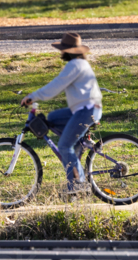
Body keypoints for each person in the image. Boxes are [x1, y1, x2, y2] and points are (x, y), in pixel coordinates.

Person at [21, 32, 103, 195]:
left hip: (86, 111)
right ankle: (78, 148)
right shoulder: (80, 64)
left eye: (63, 50)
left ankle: (79, 184)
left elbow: (55, 86)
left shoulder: (75, 65)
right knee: (52, 118)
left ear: (68, 51)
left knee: (64, 146)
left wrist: (32, 96)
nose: (61, 53)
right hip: (84, 109)